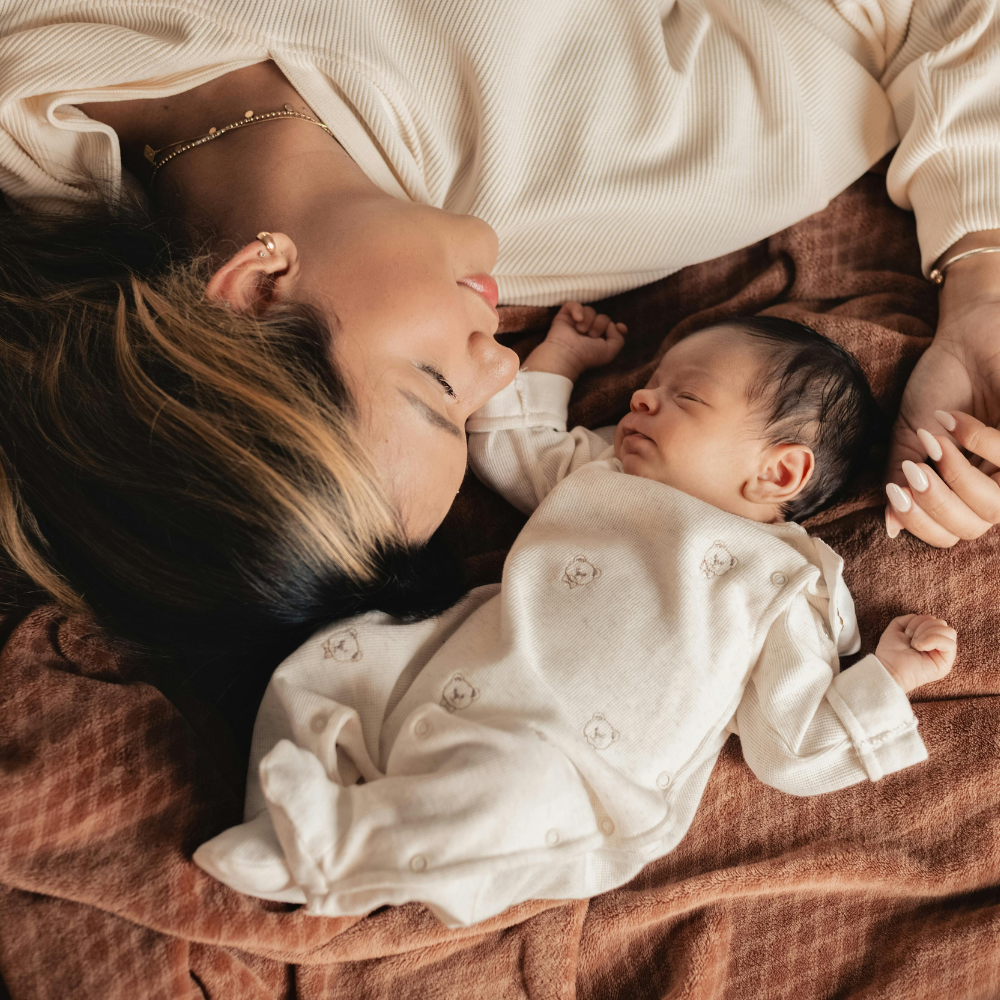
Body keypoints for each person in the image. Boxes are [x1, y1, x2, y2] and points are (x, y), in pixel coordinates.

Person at [0, 0, 998, 713]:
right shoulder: (621, 170)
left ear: (259, 289)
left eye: (436, 387)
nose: (500, 369)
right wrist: (981, 276)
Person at [193, 304, 957, 927]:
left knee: (499, 798)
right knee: (334, 660)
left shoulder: (788, 582)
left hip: (577, 767)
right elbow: (511, 446)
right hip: (457, 663)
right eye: (650, 384)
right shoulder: (604, 467)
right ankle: (279, 811)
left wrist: (886, 676)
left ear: (780, 469)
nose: (642, 398)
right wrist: (561, 358)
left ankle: (333, 854)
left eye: (685, 396)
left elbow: (789, 747)